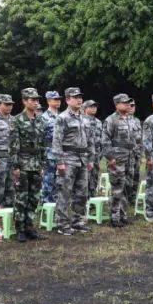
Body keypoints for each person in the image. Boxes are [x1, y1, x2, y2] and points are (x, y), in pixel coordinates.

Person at [52, 87, 92, 235]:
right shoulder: (62, 118)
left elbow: (89, 139)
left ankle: (78, 221)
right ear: (68, 99)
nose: (79, 99)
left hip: (82, 159)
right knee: (65, 192)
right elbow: (56, 141)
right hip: (68, 159)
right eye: (75, 97)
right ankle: (62, 224)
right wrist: (60, 162)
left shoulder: (84, 117)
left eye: (80, 96)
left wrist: (90, 159)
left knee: (82, 192)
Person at [10, 88, 48, 242]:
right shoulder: (17, 120)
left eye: (37, 100)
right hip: (23, 164)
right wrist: (16, 167)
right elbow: (13, 145)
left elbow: (43, 145)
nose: (35, 102)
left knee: (34, 197)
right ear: (24, 101)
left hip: (36, 164)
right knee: (21, 197)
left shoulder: (40, 120)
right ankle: (20, 229)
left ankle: (30, 227)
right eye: (32, 100)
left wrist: (43, 165)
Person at [103, 94, 139, 227]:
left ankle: (123, 215)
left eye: (129, 102)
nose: (128, 105)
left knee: (127, 188)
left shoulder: (131, 120)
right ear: (117, 105)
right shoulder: (111, 120)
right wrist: (110, 158)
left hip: (130, 158)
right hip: (117, 160)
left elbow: (135, 140)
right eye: (124, 103)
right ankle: (114, 218)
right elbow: (105, 141)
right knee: (117, 188)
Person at [40, 91, 62, 203]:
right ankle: (46, 206)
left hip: (61, 154)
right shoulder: (43, 118)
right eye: (55, 99)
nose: (58, 101)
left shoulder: (62, 116)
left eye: (59, 99)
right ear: (48, 101)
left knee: (60, 182)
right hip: (49, 153)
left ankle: (56, 206)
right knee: (48, 181)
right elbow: (40, 139)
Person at [82, 100, 105, 201]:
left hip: (96, 155)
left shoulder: (99, 122)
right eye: (91, 106)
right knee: (83, 179)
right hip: (84, 155)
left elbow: (101, 139)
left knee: (94, 178)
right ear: (85, 108)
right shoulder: (81, 120)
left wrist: (100, 154)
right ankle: (82, 201)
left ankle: (91, 200)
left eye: (95, 106)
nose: (94, 108)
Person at [125, 98, 143, 211]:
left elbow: (140, 139)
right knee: (126, 177)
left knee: (136, 176)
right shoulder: (122, 120)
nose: (132, 108)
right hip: (126, 154)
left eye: (133, 105)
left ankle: (132, 199)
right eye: (130, 105)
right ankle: (125, 199)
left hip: (136, 154)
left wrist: (141, 155)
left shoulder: (137, 121)